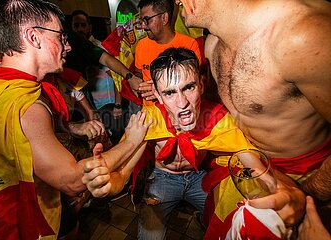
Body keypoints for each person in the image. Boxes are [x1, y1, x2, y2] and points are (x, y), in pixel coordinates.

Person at [0, 0, 150, 239]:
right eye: (61, 37)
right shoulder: (28, 108)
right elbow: (72, 181)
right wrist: (132, 141)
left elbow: (13, 133)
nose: (67, 47)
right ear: (33, 37)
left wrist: (73, 128)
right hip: (10, 223)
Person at [175, 0, 331, 238]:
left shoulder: (303, 35)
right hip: (246, 164)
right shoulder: (212, 43)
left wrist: (308, 194)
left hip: (306, 176)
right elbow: (222, 112)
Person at [83, 47, 259, 240]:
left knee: (229, 219)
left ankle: (204, 217)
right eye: (169, 93)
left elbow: (251, 159)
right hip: (162, 179)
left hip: (197, 177)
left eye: (188, 87)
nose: (181, 102)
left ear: (201, 84)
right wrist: (112, 184)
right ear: (157, 96)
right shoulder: (149, 119)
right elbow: (122, 173)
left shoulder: (217, 118)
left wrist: (273, 189)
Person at [71, 9, 126, 144]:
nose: (80, 29)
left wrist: (117, 105)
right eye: (76, 26)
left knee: (113, 143)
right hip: (91, 108)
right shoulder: (72, 50)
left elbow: (116, 77)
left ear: (90, 27)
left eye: (83, 25)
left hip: (108, 106)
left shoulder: (100, 48)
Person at [133, 0, 202, 106]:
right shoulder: (141, 46)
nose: (143, 26)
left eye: (147, 20)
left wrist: (160, 87)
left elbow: (197, 82)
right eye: (141, 21)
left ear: (164, 18)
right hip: (151, 115)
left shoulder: (189, 44)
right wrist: (140, 86)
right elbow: (138, 74)